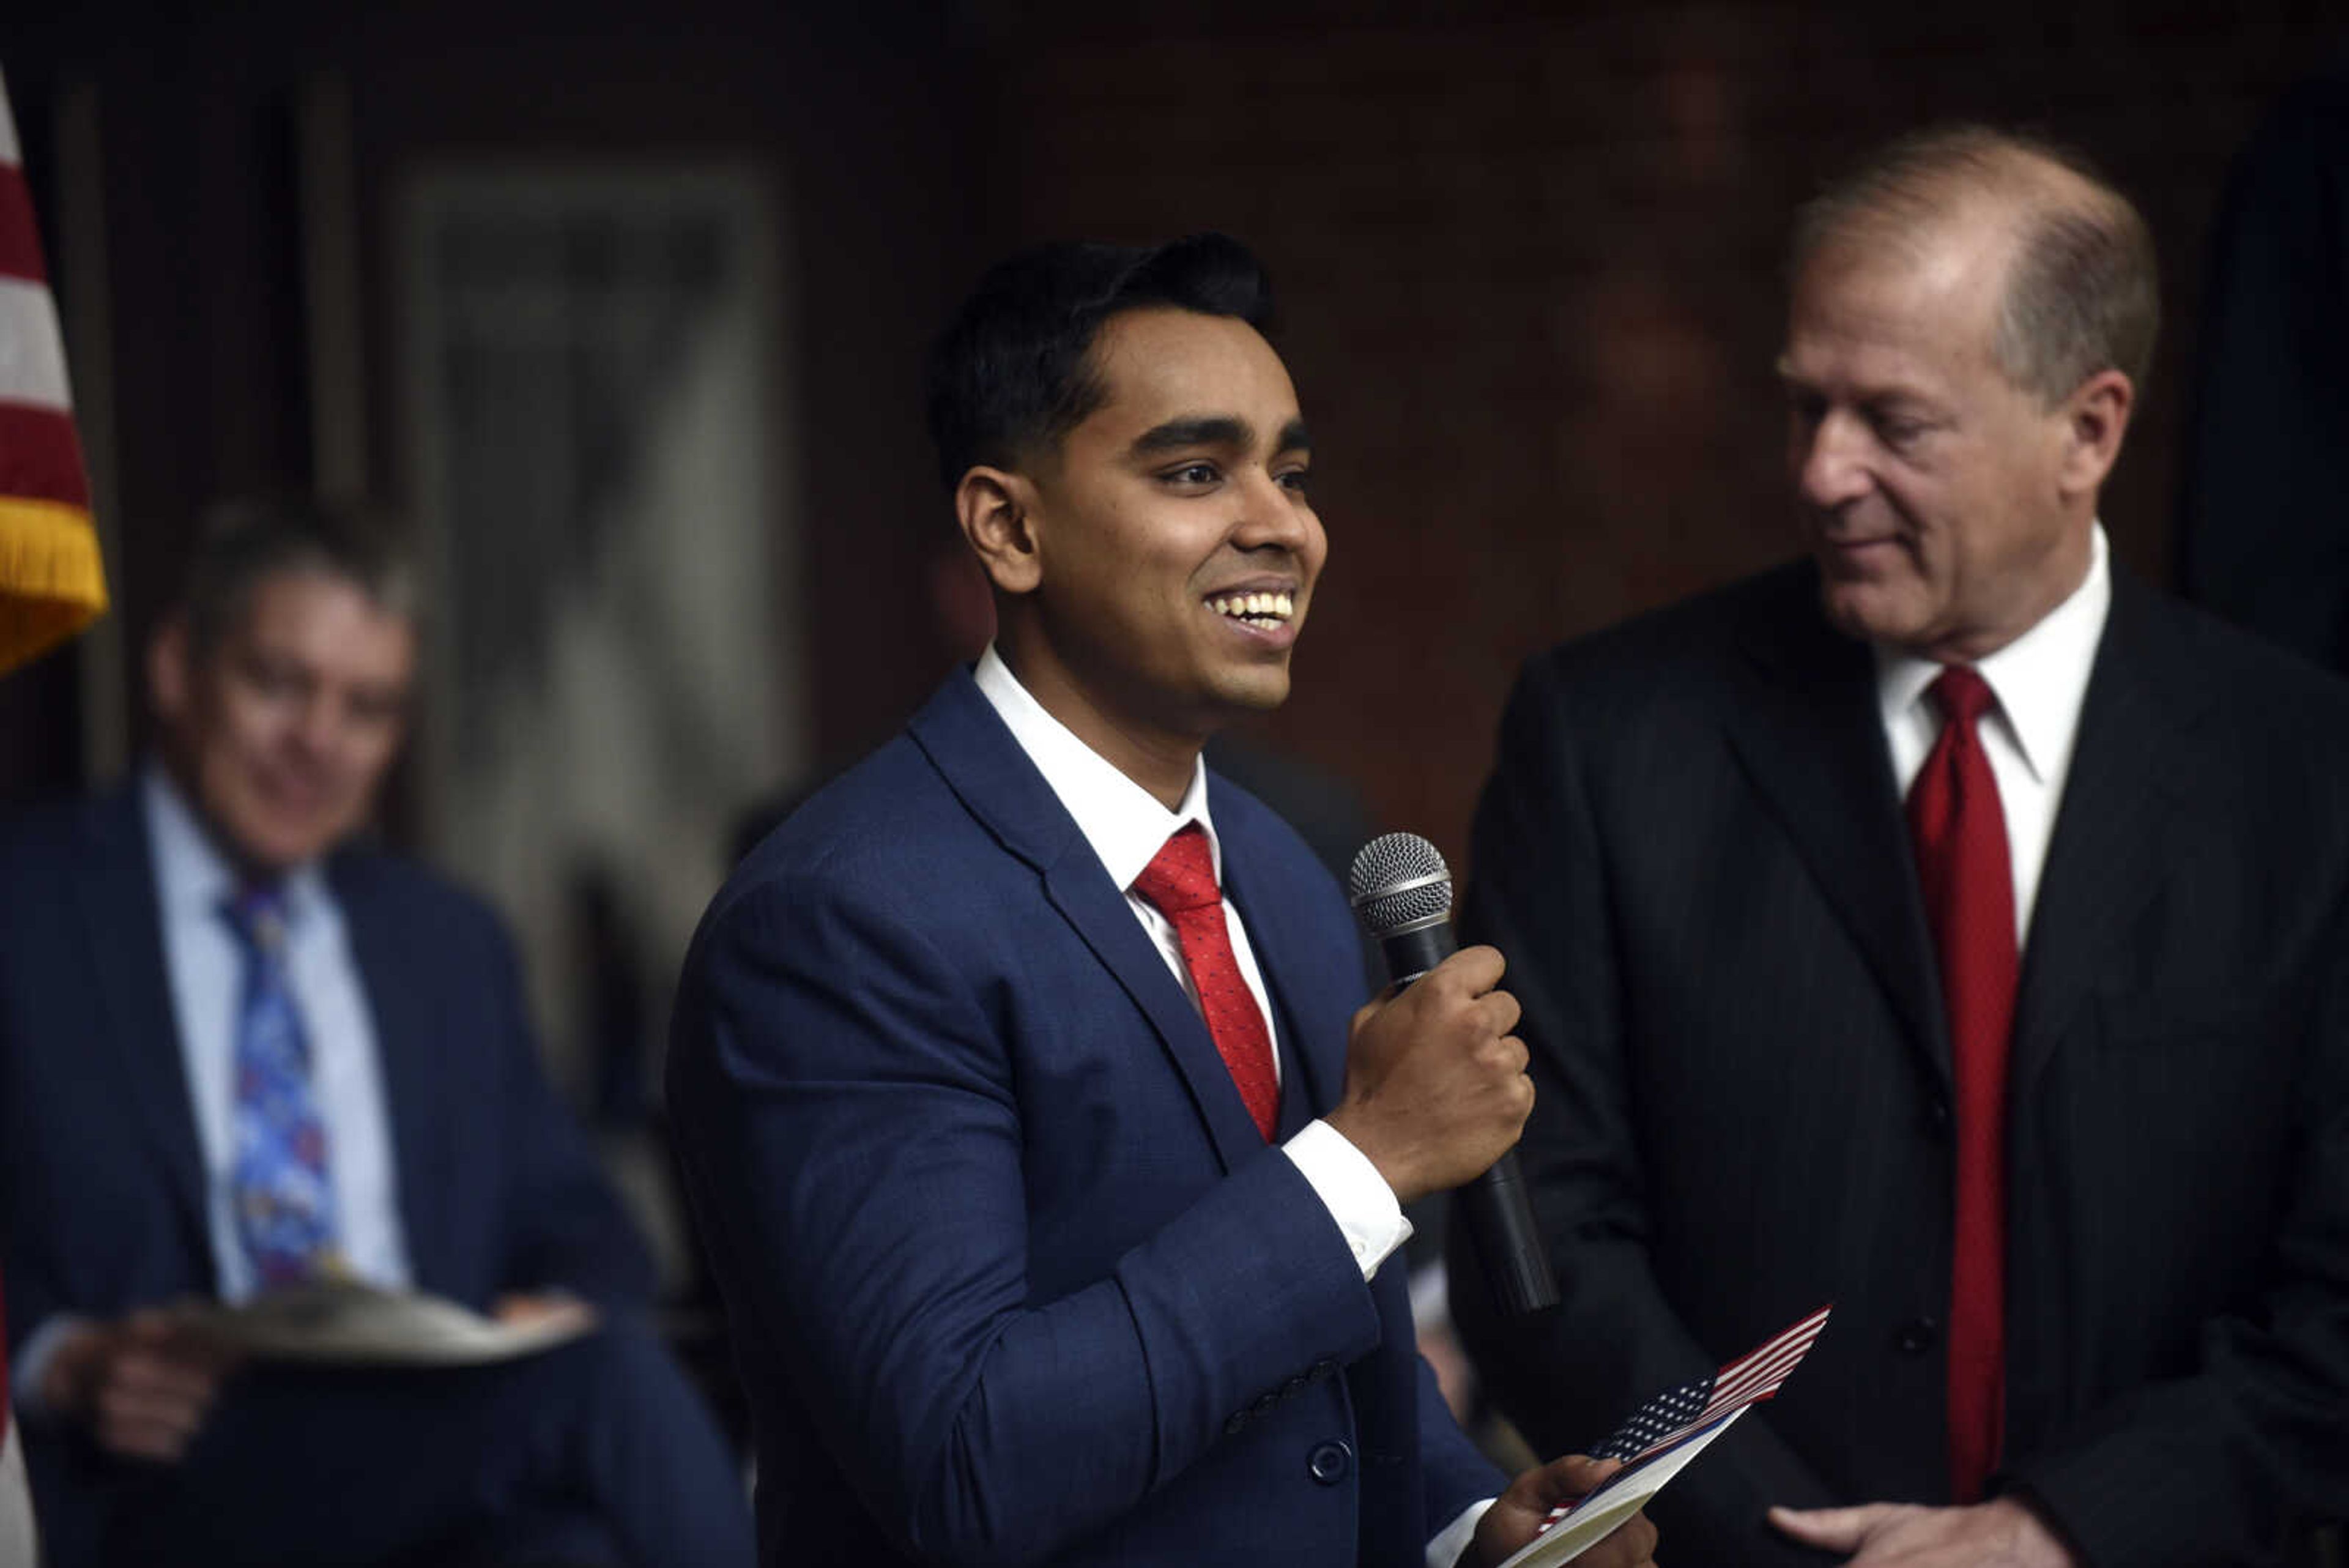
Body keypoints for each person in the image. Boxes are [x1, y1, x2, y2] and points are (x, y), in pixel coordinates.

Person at [666, 234, 1658, 1568]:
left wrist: (1469, 1526)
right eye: (1197, 472)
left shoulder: (1292, 879)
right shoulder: (842, 921)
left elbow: (1338, 1386)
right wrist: (1363, 1160)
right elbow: (967, 1457)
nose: (1282, 524)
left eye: (1291, 472)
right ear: (1008, 529)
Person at [1450, 125, 2349, 1568]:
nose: (1821, 472)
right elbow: (1535, 1238)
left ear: (2091, 428)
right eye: (1806, 407)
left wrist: (2062, 1531)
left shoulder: (2311, 774)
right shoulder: (1607, 737)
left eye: (1895, 421)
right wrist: (1775, 1543)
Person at [0, 497, 753, 1567]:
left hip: (428, 1447)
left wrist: (551, 1306)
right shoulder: (28, 911)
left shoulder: (444, 942)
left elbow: (587, 1233)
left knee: (571, 1548)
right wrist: (61, 1360)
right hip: (162, 1483)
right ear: (176, 668)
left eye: (367, 709)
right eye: (278, 684)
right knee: (613, 1393)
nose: (318, 741)